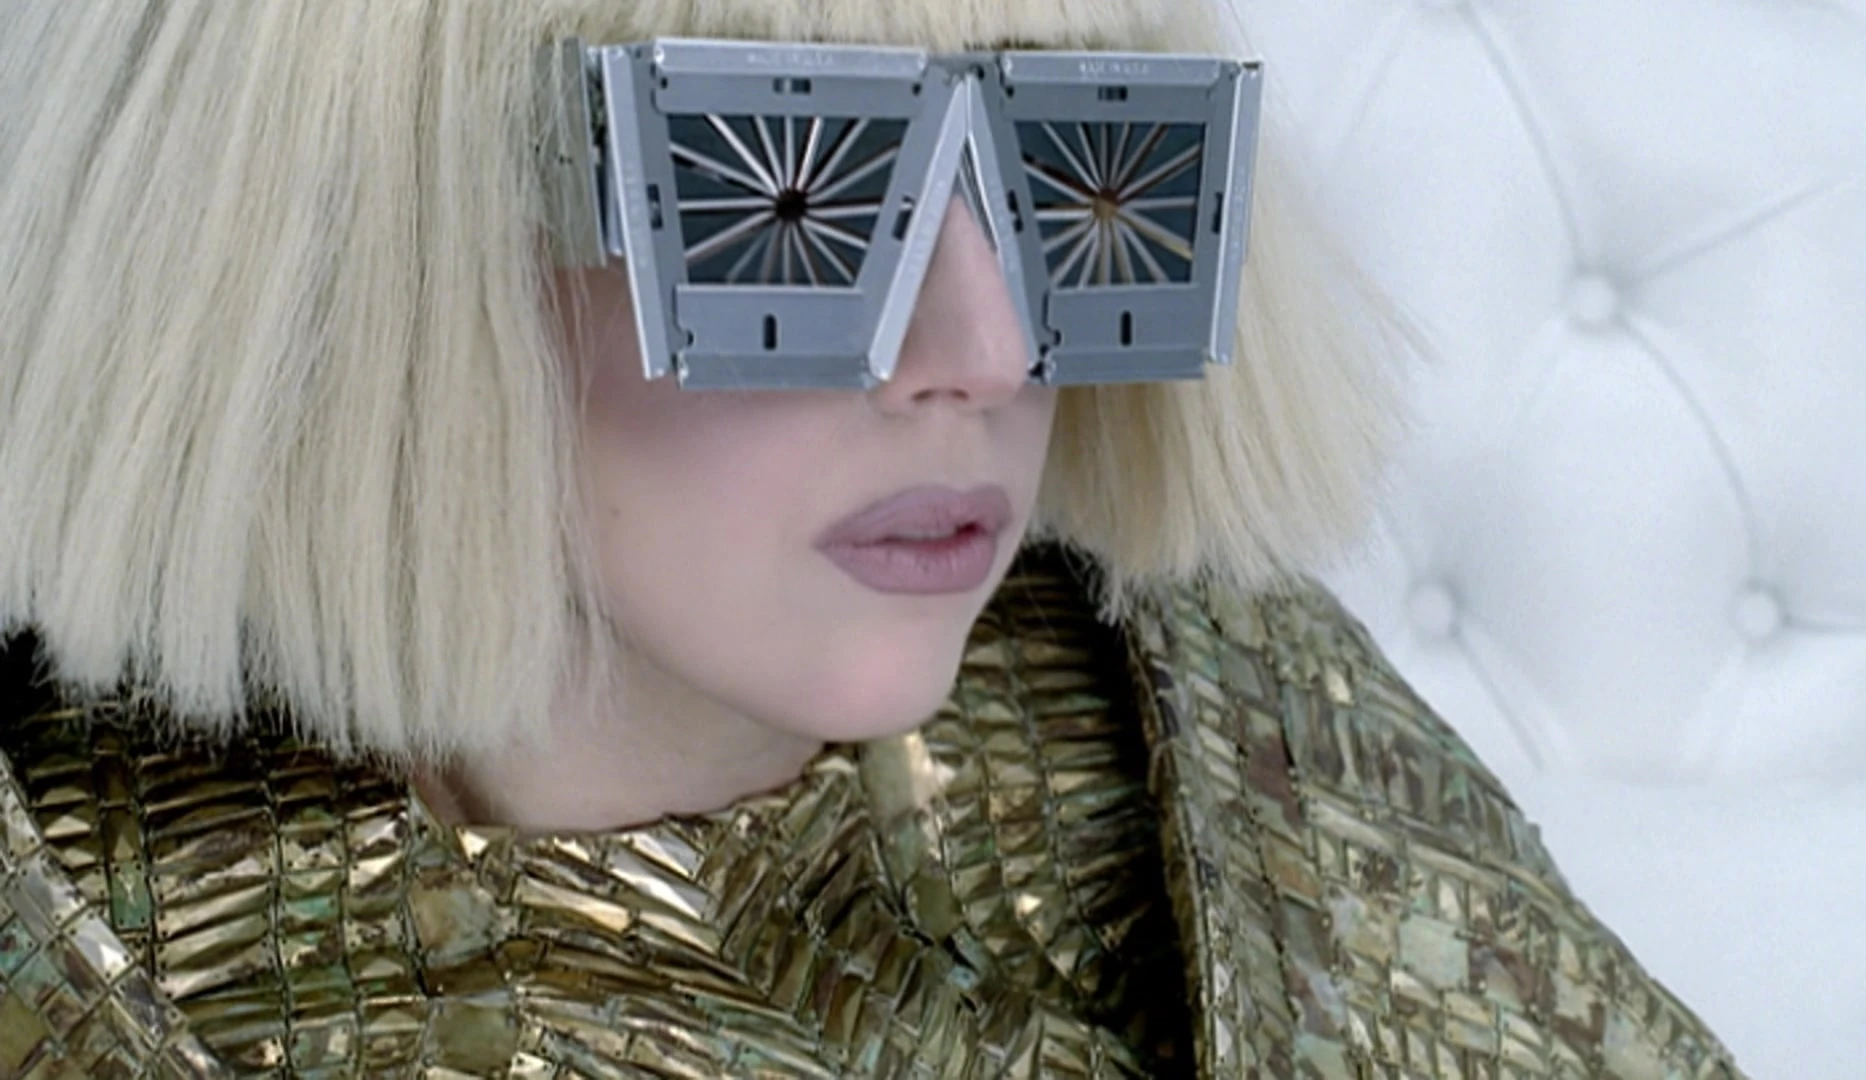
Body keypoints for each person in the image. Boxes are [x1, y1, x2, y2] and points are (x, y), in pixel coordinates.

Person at [0, 2, 1741, 1076]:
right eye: (789, 191)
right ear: (371, 235)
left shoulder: (1227, 723)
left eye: (1076, 170)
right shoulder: (73, 929)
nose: (988, 347)